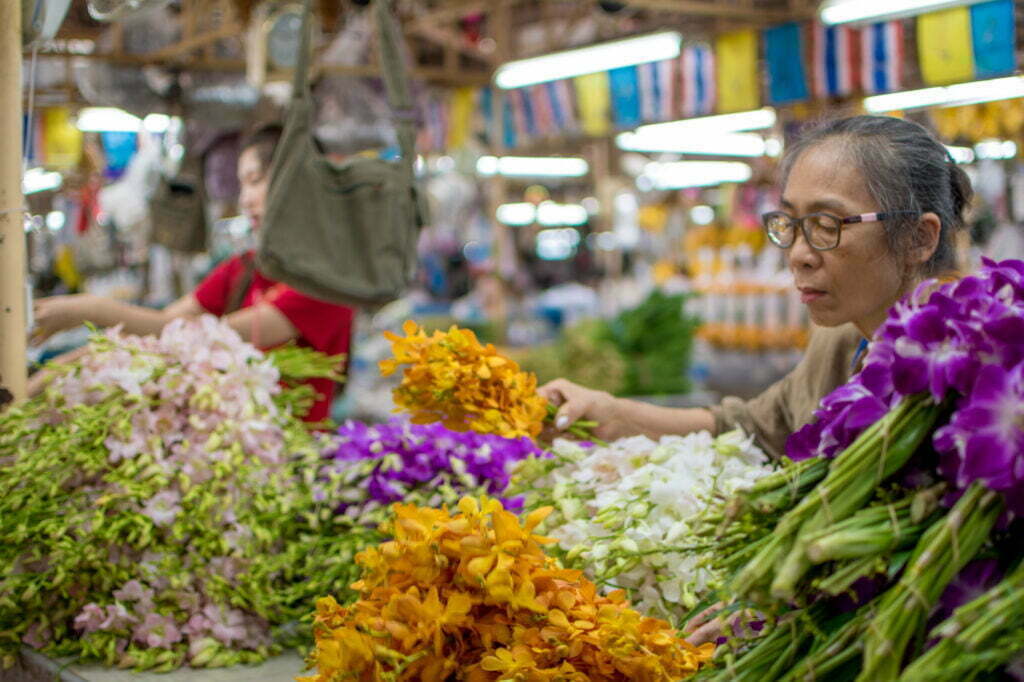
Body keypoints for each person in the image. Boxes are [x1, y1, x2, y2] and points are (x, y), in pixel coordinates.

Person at [541, 114, 971, 460]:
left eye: (826, 225)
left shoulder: (976, 367)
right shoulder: (842, 339)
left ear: (919, 237)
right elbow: (755, 428)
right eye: (790, 224)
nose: (798, 253)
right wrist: (611, 415)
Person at [31, 125, 356, 423]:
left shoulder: (328, 282)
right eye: (242, 183)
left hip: (285, 459)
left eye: (255, 180)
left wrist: (87, 310)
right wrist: (75, 360)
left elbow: (186, 336)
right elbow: (162, 329)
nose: (244, 199)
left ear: (296, 181)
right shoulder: (243, 267)